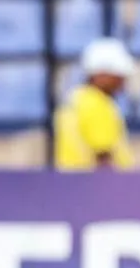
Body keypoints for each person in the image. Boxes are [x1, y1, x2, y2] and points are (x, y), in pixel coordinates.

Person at [54, 37, 135, 171]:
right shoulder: (97, 104)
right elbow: (104, 159)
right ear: (101, 73)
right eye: (118, 76)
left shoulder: (75, 99)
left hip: (73, 180)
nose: (122, 82)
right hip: (94, 181)